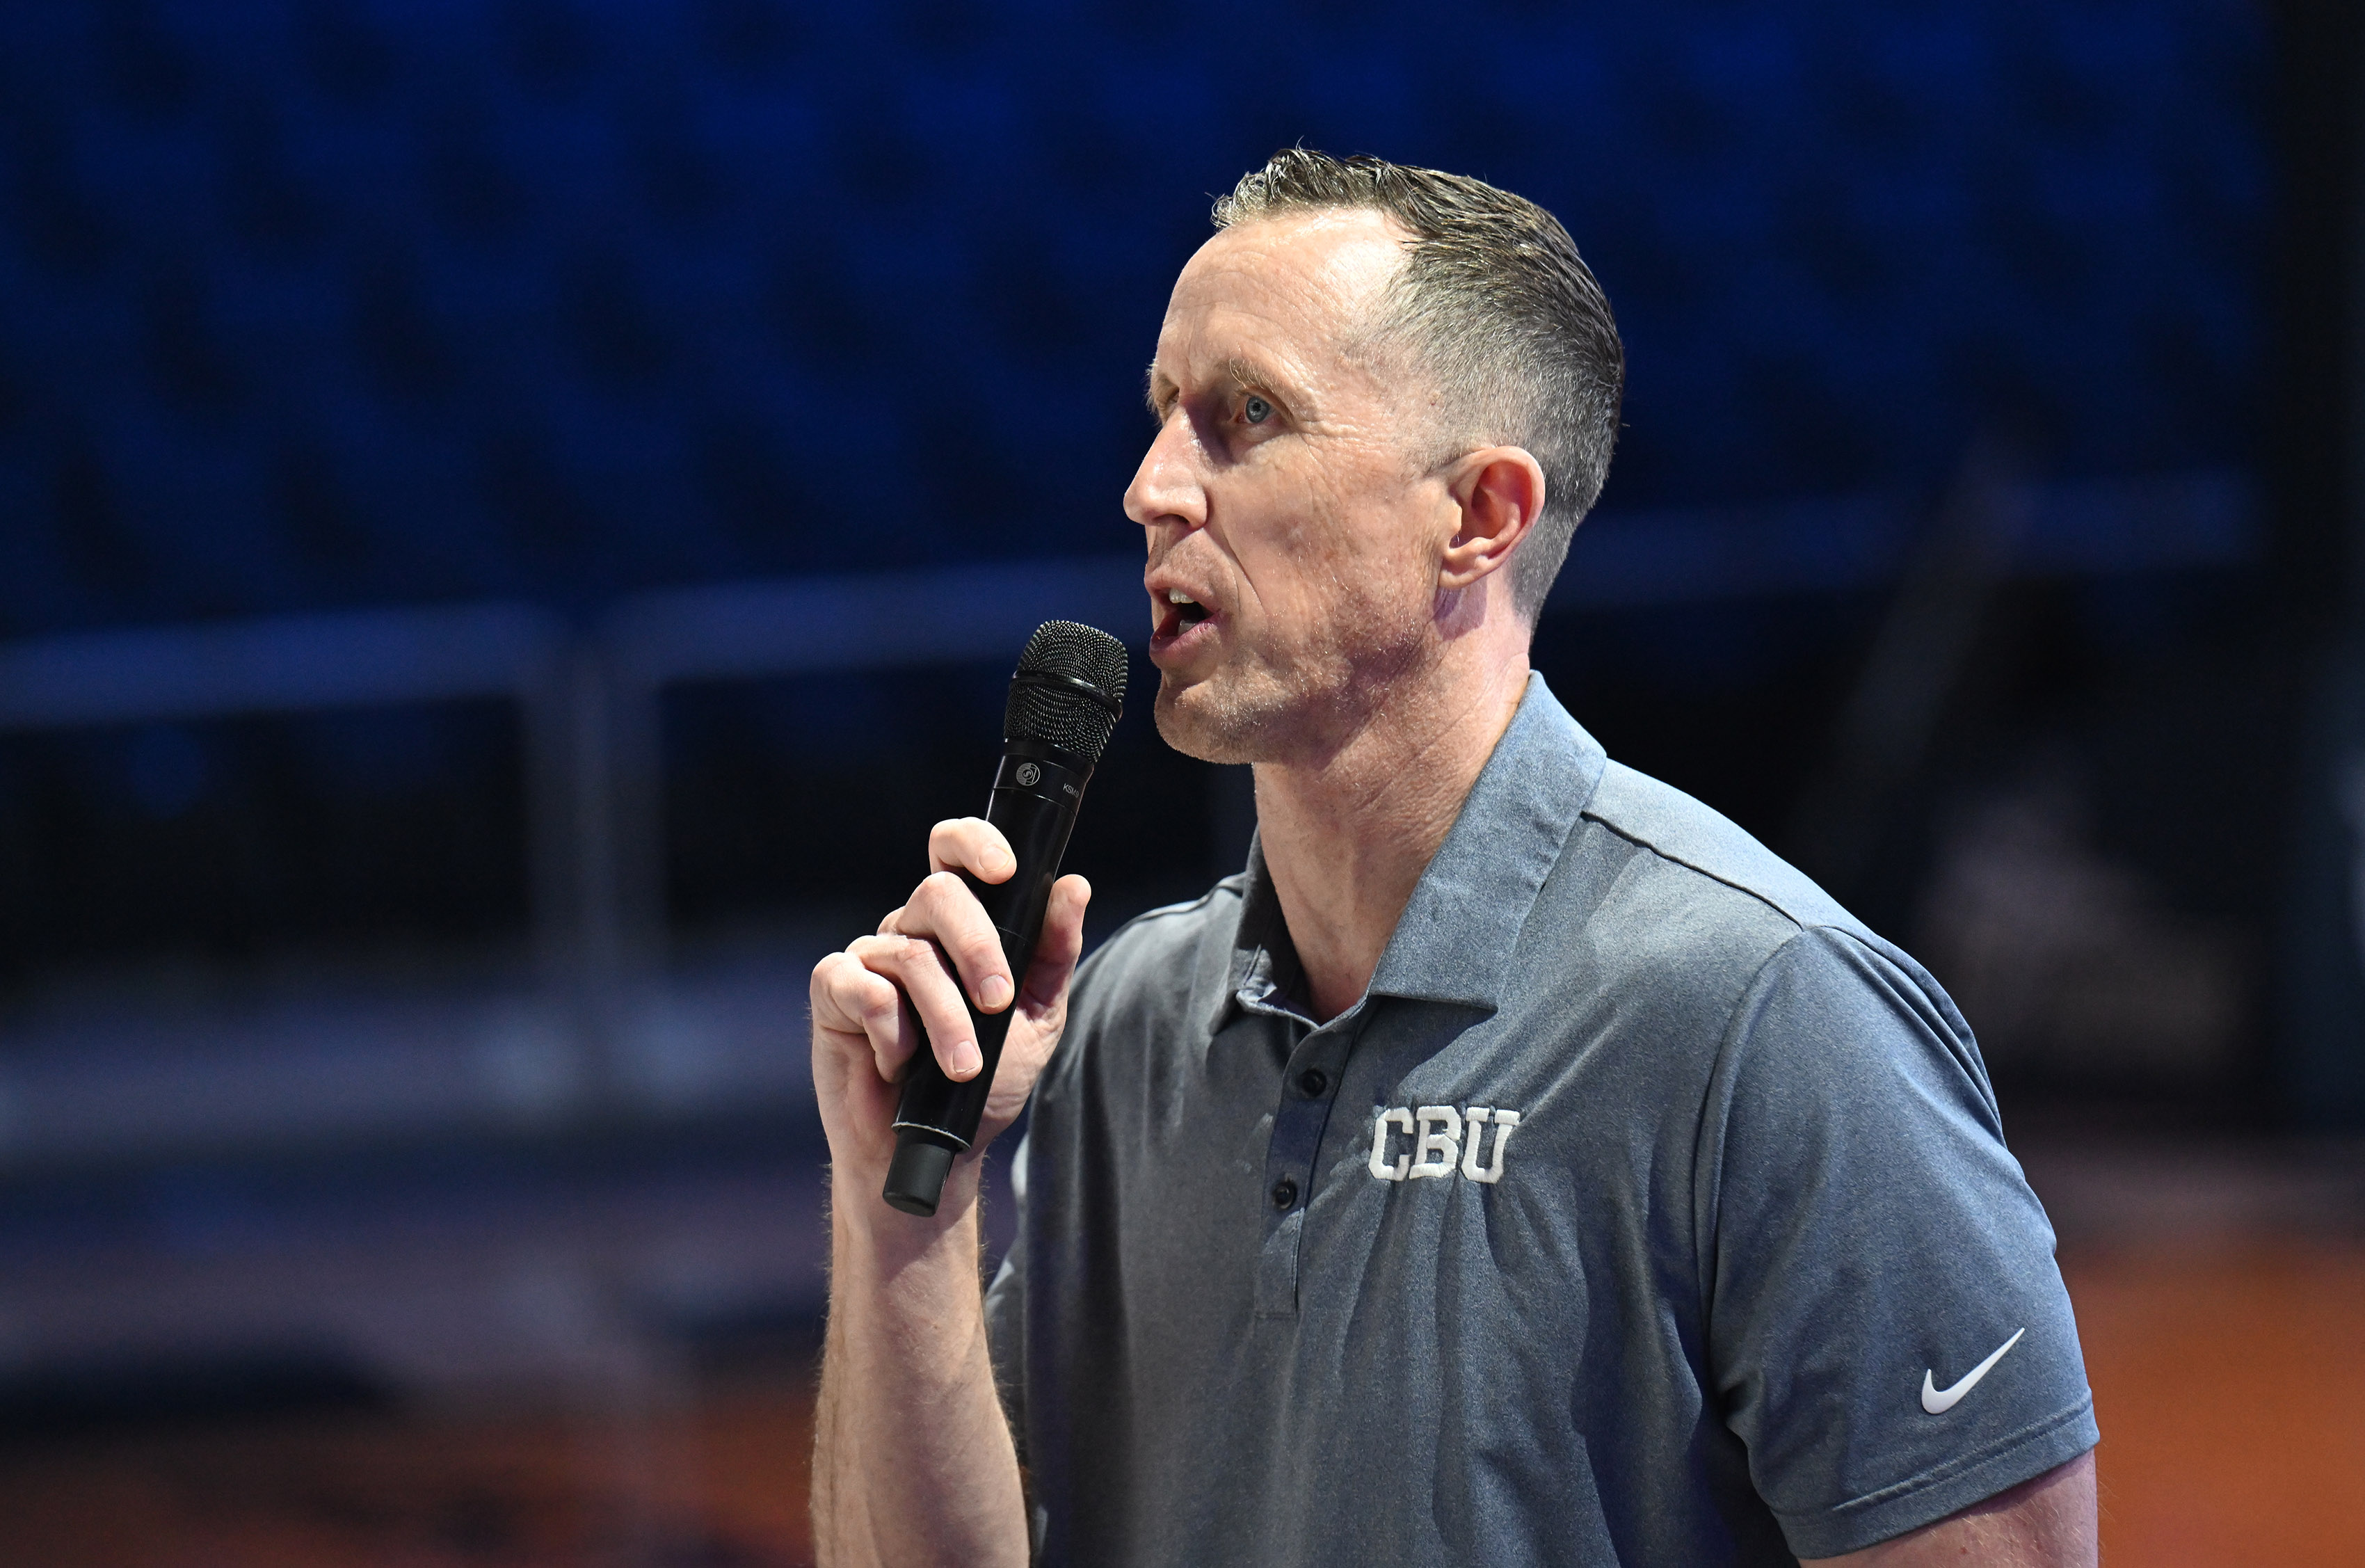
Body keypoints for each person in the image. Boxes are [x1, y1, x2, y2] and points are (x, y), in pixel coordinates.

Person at [808, 150, 2099, 1567]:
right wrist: (898, 1210)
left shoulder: (1770, 1015)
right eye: (1161, 413)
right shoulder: (1121, 1026)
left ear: (1479, 518)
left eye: (1247, 415)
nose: (1150, 487)